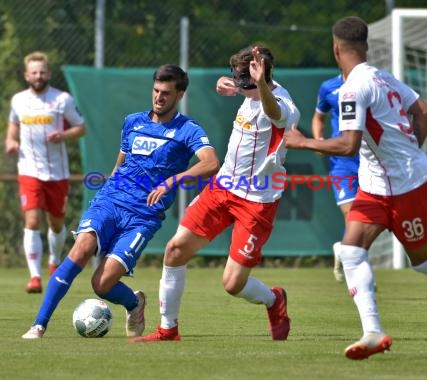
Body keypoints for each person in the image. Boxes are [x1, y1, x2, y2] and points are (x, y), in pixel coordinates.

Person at [284, 16, 427, 360]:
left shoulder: (352, 88)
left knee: (420, 258)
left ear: (336, 48)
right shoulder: (383, 76)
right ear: (366, 46)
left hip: (409, 186)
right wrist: (408, 149)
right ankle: (372, 331)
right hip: (376, 185)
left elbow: (347, 145)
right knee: (351, 248)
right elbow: (426, 112)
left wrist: (301, 143)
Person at [21, 64, 220, 339]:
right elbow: (121, 163)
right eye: (156, 90)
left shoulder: (187, 129)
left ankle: (133, 303)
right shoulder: (133, 122)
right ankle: (38, 325)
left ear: (180, 94)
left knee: (101, 284)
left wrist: (173, 180)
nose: (159, 97)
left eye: (166, 93)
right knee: (81, 249)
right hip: (110, 202)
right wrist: (107, 191)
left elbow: (211, 162)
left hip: (142, 217)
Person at [130, 45, 300, 343]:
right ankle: (168, 330)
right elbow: (231, 85)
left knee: (233, 284)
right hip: (223, 189)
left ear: (260, 77)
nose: (236, 80)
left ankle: (274, 300)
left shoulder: (283, 103)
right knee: (175, 250)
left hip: (257, 200)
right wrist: (229, 84)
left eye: (242, 77)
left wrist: (257, 85)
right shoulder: (248, 90)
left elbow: (273, 112)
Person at [5, 51, 86, 294]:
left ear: (48, 74)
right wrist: (10, 142)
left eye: (42, 72)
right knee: (31, 221)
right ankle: (35, 277)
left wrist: (63, 134)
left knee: (57, 225)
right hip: (28, 169)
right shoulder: (18, 100)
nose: (38, 76)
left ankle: (54, 261)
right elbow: (12, 128)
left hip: (57, 173)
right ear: (26, 75)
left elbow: (81, 128)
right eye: (34, 72)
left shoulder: (62, 100)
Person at [311, 74, 359, 282]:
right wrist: (318, 140)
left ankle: (343, 249)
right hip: (341, 162)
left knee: (365, 221)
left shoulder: (372, 82)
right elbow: (318, 117)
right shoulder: (328, 87)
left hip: (370, 160)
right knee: (352, 215)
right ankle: (357, 274)